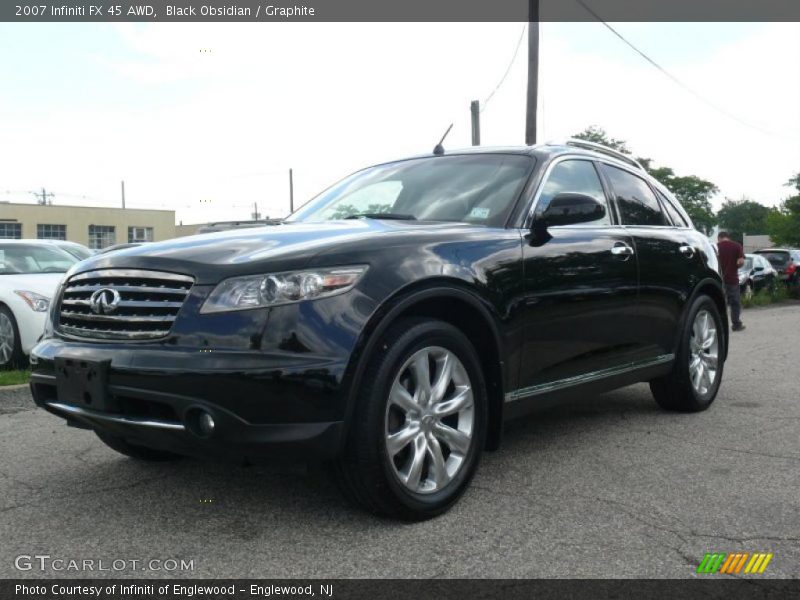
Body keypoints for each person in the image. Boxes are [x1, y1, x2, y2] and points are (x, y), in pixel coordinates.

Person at [717, 231, 745, 331]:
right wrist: (737, 265)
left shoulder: (715, 246)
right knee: (735, 303)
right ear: (728, 237)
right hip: (732, 278)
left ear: (719, 237)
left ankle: (719, 326)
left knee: (719, 302)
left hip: (717, 279)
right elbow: (741, 262)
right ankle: (736, 324)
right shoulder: (737, 246)